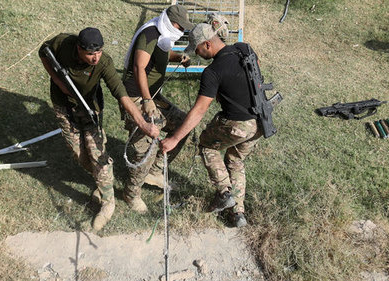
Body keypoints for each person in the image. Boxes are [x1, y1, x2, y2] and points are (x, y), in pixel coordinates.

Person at [39, 27, 159, 231]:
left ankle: (108, 202)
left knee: (97, 153)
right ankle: (101, 179)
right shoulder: (62, 43)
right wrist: (58, 81)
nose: (95, 58)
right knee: (79, 153)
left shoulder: (104, 63)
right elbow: (43, 51)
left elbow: (121, 94)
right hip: (63, 105)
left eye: (99, 52)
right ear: (78, 48)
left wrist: (143, 124)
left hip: (90, 108)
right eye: (90, 53)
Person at [160, 23, 262, 228]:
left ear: (207, 44)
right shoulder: (244, 49)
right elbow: (255, 68)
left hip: (237, 124)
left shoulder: (212, 72)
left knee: (207, 146)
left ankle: (224, 192)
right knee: (235, 161)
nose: (197, 53)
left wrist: (174, 139)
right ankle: (238, 214)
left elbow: (199, 110)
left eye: (197, 49)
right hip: (259, 122)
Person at [120, 5, 194, 213]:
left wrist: (178, 57)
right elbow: (139, 67)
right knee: (147, 140)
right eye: (180, 26)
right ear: (171, 22)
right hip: (136, 96)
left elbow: (162, 53)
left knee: (182, 124)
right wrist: (145, 99)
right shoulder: (150, 34)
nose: (182, 31)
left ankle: (154, 171)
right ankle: (131, 193)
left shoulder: (164, 34)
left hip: (153, 96)